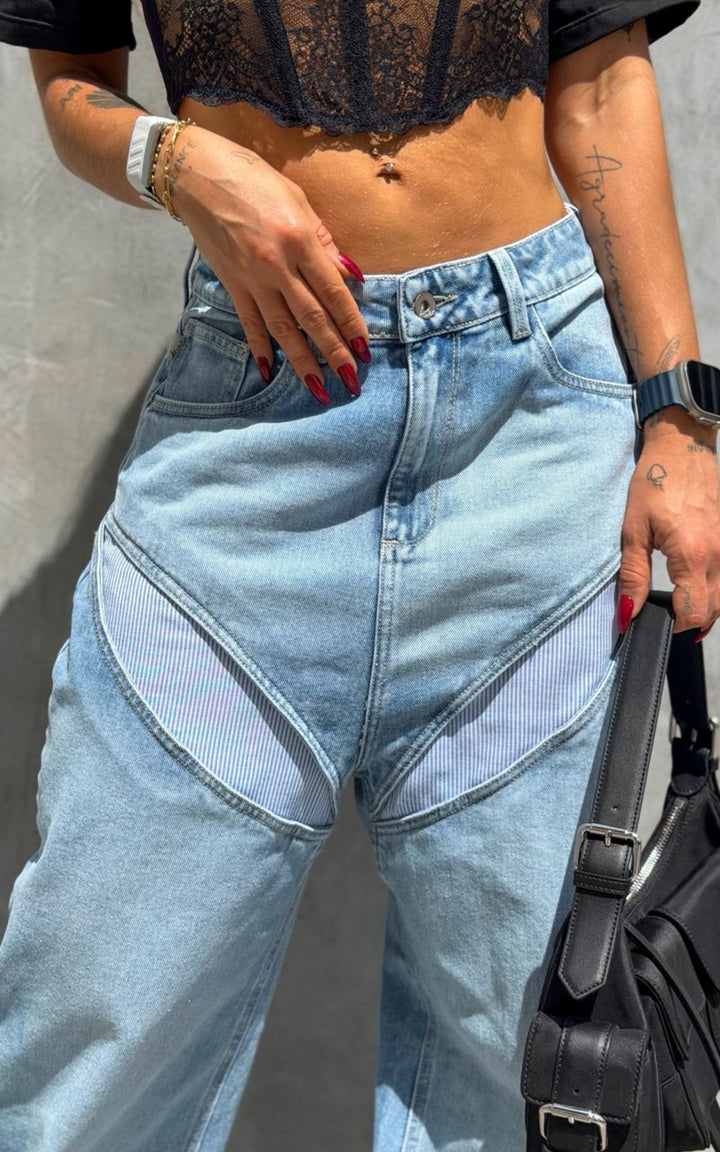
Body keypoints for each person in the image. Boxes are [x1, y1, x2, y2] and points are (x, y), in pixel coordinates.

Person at [0, 0, 718, 1148]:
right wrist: (178, 164)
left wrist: (678, 416)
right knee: (99, 1026)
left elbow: (600, 79)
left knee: (516, 1057)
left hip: (528, 442)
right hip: (248, 448)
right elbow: (68, 80)